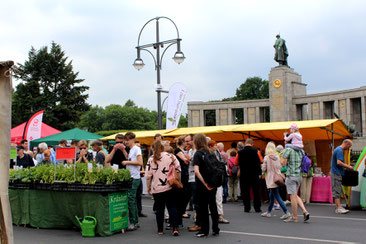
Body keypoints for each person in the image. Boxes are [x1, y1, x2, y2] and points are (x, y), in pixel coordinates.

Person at [146, 141, 181, 236]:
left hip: (157, 188)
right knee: (172, 207)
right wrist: (178, 182)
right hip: (170, 186)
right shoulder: (171, 156)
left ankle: (160, 230)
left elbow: (148, 176)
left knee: (159, 209)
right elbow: (178, 170)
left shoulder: (151, 159)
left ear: (153, 149)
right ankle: (175, 228)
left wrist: (148, 187)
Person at [193, 134, 219, 237]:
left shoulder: (198, 154)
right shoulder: (211, 152)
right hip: (213, 183)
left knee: (203, 208)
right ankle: (216, 228)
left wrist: (204, 183)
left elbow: (196, 171)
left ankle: (204, 230)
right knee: (213, 206)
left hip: (202, 185)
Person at [260, 142, 291, 219]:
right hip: (277, 178)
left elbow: (263, 169)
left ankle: (286, 212)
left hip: (271, 178)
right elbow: (280, 167)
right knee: (271, 195)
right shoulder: (277, 156)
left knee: (277, 196)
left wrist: (262, 168)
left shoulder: (266, 157)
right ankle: (268, 211)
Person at [281, 146, 310, 223]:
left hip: (291, 176)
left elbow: (283, 164)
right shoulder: (301, 150)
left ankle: (294, 217)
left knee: (292, 196)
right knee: (295, 195)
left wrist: (282, 156)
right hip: (299, 176)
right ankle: (305, 211)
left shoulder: (288, 150)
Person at [122, 132, 143, 231]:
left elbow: (140, 163)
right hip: (132, 177)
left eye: (127, 140)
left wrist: (127, 162)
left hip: (134, 177)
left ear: (132, 139)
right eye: (125, 140)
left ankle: (133, 222)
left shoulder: (136, 149)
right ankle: (135, 221)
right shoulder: (131, 150)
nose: (126, 142)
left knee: (131, 199)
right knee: (132, 200)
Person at [237, 138, 262, 213]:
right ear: (252, 144)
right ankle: (257, 208)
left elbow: (236, 162)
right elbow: (261, 161)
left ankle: (247, 208)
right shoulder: (256, 151)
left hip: (244, 174)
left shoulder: (240, 152)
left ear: (245, 144)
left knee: (245, 191)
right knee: (256, 191)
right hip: (254, 174)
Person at [208, 140, 229, 224]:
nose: (216, 147)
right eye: (214, 145)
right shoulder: (208, 153)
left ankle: (219, 216)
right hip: (213, 178)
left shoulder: (216, 152)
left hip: (216, 178)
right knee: (215, 199)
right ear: (210, 146)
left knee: (218, 198)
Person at [330, 139, 354, 214]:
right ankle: (338, 208)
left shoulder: (337, 149)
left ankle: (339, 206)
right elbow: (339, 162)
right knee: (337, 190)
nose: (348, 148)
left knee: (337, 190)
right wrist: (348, 166)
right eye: (349, 146)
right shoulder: (340, 150)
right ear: (346, 144)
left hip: (335, 172)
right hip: (336, 173)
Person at [174, 135, 191, 225]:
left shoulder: (183, 151)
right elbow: (185, 160)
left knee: (185, 196)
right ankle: (178, 219)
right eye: (186, 141)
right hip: (181, 176)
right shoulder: (177, 150)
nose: (187, 143)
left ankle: (180, 216)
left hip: (184, 175)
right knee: (181, 197)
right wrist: (188, 157)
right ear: (182, 142)